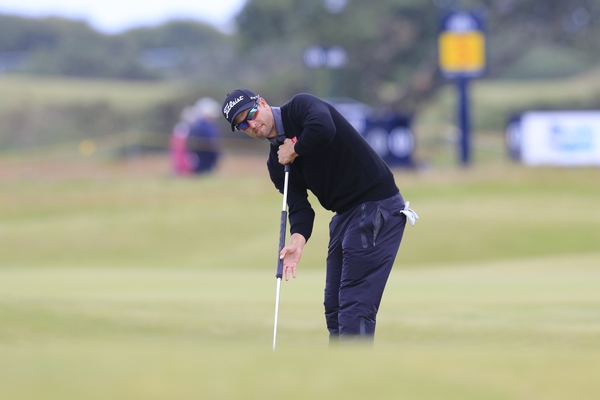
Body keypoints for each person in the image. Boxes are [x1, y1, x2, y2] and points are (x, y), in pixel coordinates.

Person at [221, 89, 418, 344]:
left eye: (251, 114)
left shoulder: (301, 108)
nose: (252, 125)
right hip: (344, 215)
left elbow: (324, 129)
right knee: (334, 306)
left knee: (354, 304)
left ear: (262, 103)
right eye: (243, 125)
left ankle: (355, 377)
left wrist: (296, 149)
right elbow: (300, 207)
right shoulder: (277, 163)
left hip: (377, 205)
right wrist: (296, 241)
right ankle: (339, 374)